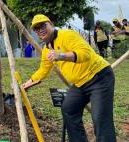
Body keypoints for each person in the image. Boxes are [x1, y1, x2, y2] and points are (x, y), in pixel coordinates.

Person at [23, 14, 116, 142]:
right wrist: (24, 86)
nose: (40, 30)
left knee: (100, 118)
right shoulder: (46, 50)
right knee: (69, 109)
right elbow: (43, 71)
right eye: (36, 29)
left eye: (43, 25)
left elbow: (85, 54)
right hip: (80, 84)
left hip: (99, 77)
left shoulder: (67, 35)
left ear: (51, 24)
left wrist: (60, 56)